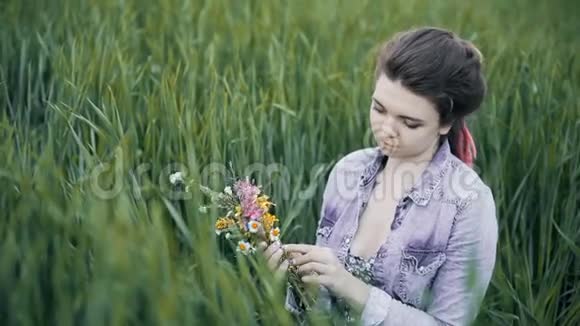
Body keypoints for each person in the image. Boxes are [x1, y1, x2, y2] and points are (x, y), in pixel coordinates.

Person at [258, 26, 498, 326]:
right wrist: (296, 282)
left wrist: (352, 288)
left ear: (446, 123)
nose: (386, 129)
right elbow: (320, 310)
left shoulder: (468, 204)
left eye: (409, 123)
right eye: (379, 108)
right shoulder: (348, 172)